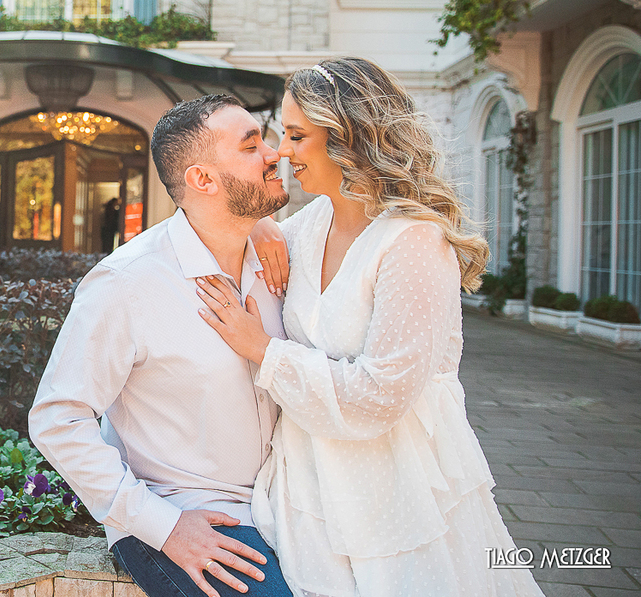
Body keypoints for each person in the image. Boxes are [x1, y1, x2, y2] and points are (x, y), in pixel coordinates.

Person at [194, 58, 544, 597]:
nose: (282, 151)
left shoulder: (414, 241)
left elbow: (382, 395)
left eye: (297, 136)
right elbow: (226, 229)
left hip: (395, 489)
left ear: (348, 137)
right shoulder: (308, 226)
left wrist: (262, 348)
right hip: (307, 485)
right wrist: (260, 224)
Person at [30, 95, 295, 597]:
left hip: (285, 507)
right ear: (203, 180)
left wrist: (265, 225)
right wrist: (164, 525)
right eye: (251, 146)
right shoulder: (127, 283)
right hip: (188, 515)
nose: (275, 153)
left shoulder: (276, 260)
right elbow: (57, 419)